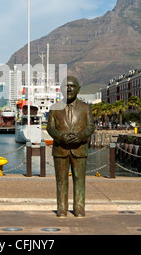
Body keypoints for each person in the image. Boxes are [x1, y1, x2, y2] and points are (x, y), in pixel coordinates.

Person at [47, 76, 95, 217]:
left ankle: (79, 208)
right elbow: (50, 127)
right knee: (61, 180)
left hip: (79, 148)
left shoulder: (85, 108)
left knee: (79, 179)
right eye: (66, 86)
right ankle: (61, 208)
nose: (69, 89)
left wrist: (81, 136)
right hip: (60, 149)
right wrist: (60, 136)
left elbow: (91, 126)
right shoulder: (54, 108)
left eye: (72, 86)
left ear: (78, 89)